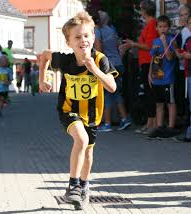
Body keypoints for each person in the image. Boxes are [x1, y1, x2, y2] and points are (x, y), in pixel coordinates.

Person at [39, 11, 117, 209]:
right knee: (80, 140)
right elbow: (45, 55)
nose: (83, 40)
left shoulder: (100, 60)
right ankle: (72, 186)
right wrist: (42, 79)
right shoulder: (66, 60)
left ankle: (83, 186)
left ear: (93, 37)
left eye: (86, 36)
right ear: (69, 43)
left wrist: (95, 71)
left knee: (88, 153)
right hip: (68, 110)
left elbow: (112, 87)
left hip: (92, 115)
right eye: (77, 37)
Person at [120, 0, 158, 134]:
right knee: (147, 93)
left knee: (150, 93)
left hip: (149, 62)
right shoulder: (149, 24)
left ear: (145, 11)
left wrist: (132, 44)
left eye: (141, 9)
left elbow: (149, 46)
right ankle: (149, 122)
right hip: (144, 62)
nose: (140, 12)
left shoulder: (152, 24)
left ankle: (153, 123)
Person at [94, 10, 131, 131]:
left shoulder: (97, 31)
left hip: (108, 65)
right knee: (116, 93)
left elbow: (99, 49)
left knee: (107, 94)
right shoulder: (111, 29)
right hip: (118, 63)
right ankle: (125, 119)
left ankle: (107, 123)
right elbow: (118, 45)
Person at [148, 15, 177, 138]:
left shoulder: (172, 40)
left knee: (170, 103)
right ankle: (159, 126)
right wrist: (149, 74)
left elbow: (170, 57)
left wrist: (165, 42)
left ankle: (171, 127)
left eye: (165, 26)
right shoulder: (155, 41)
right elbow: (153, 58)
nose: (163, 29)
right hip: (157, 78)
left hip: (168, 78)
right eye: (160, 26)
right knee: (159, 103)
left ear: (169, 28)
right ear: (157, 28)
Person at [174, 15, 191, 142]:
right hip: (188, 75)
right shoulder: (188, 39)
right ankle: (189, 133)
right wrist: (176, 49)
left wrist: (187, 55)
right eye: (189, 23)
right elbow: (181, 55)